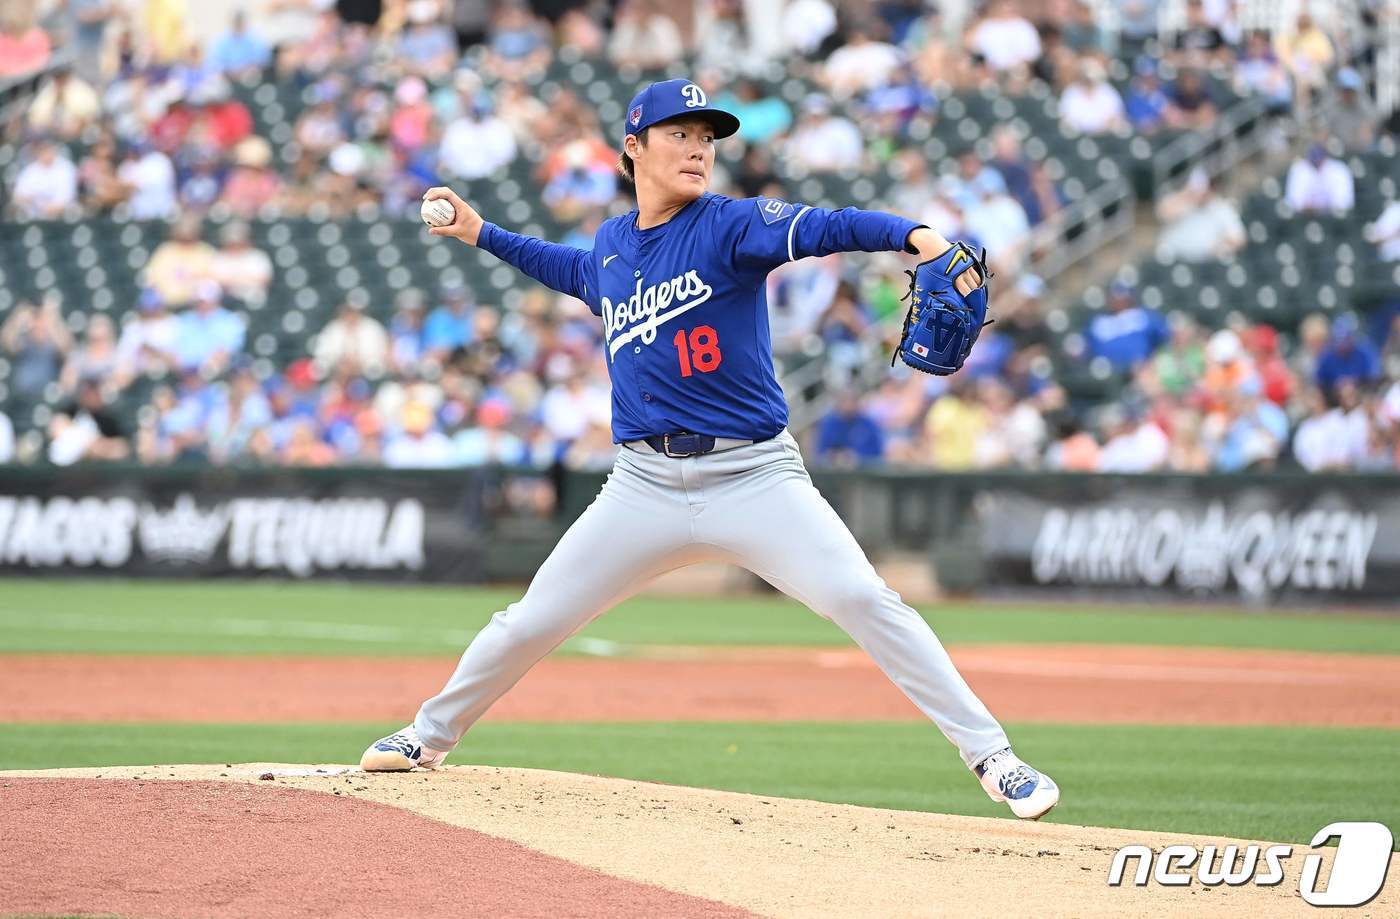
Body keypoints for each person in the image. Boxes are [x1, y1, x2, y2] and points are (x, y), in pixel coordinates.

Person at [361, 78, 1061, 822]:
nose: (699, 148)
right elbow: (565, 269)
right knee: (530, 620)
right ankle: (426, 737)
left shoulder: (730, 225)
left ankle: (994, 756)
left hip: (753, 474)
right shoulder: (610, 248)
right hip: (642, 485)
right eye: (679, 134)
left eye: (707, 138)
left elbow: (827, 226)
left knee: (862, 597)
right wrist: (481, 233)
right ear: (634, 149)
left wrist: (917, 236)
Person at [1284, 143, 1353, 214]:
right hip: (1304, 217)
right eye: (1314, 160)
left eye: (1319, 160)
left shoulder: (1338, 169)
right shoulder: (1299, 169)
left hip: (1332, 219)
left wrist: (1320, 208)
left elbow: (1344, 203)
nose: (1317, 162)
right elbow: (1292, 203)